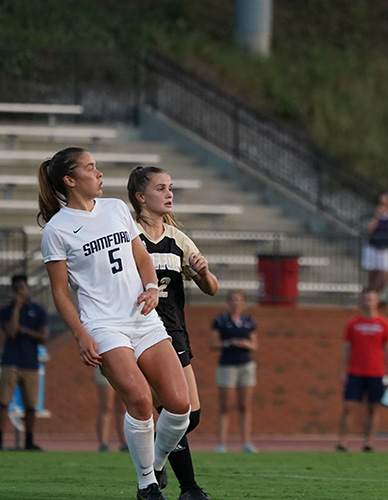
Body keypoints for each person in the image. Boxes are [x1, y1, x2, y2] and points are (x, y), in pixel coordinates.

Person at [38, 147, 191, 500]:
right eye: (91, 168)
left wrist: (152, 287)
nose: (99, 173)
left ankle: (153, 462)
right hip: (103, 325)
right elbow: (60, 292)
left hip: (142, 318)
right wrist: (81, 335)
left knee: (179, 405)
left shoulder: (116, 208)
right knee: (138, 399)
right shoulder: (57, 229)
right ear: (70, 180)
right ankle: (147, 486)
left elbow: (140, 256)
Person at [128, 165, 218, 500]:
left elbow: (211, 288)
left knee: (189, 414)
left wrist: (204, 272)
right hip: (143, 331)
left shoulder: (177, 238)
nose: (169, 194)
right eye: (161, 188)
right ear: (140, 197)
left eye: (171, 188)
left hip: (175, 331)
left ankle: (155, 458)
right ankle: (188, 488)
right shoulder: (128, 234)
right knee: (171, 410)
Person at [335, 288, 388, 452]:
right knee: (348, 406)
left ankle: (369, 442)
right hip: (355, 372)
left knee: (373, 408)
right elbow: (346, 347)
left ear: (377, 302)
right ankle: (343, 441)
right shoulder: (353, 323)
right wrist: (342, 370)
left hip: (376, 372)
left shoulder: (384, 324)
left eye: (372, 299)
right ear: (361, 301)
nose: (368, 302)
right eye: (366, 299)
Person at [0, 274, 48, 451]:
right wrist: (16, 310)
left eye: (22, 288)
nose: (20, 292)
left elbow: (43, 337)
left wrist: (25, 330)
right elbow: (11, 333)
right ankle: (1, 440)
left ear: (26, 288)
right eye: (17, 289)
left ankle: (29, 440)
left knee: (31, 405)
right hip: (10, 362)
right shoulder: (6, 311)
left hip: (30, 363)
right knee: (3, 402)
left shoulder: (38, 310)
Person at [209, 290, 259, 453]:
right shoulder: (220, 320)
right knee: (225, 406)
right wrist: (229, 342)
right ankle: (222, 443)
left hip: (245, 364)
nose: (236, 303)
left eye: (239, 300)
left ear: (243, 302)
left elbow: (254, 344)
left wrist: (245, 343)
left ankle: (246, 442)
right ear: (228, 302)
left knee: (245, 405)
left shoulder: (248, 320)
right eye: (233, 300)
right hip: (227, 365)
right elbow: (212, 343)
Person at [94, 367, 128, 452]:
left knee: (123, 409)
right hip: (105, 367)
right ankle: (103, 444)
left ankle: (124, 443)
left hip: (123, 369)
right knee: (106, 407)